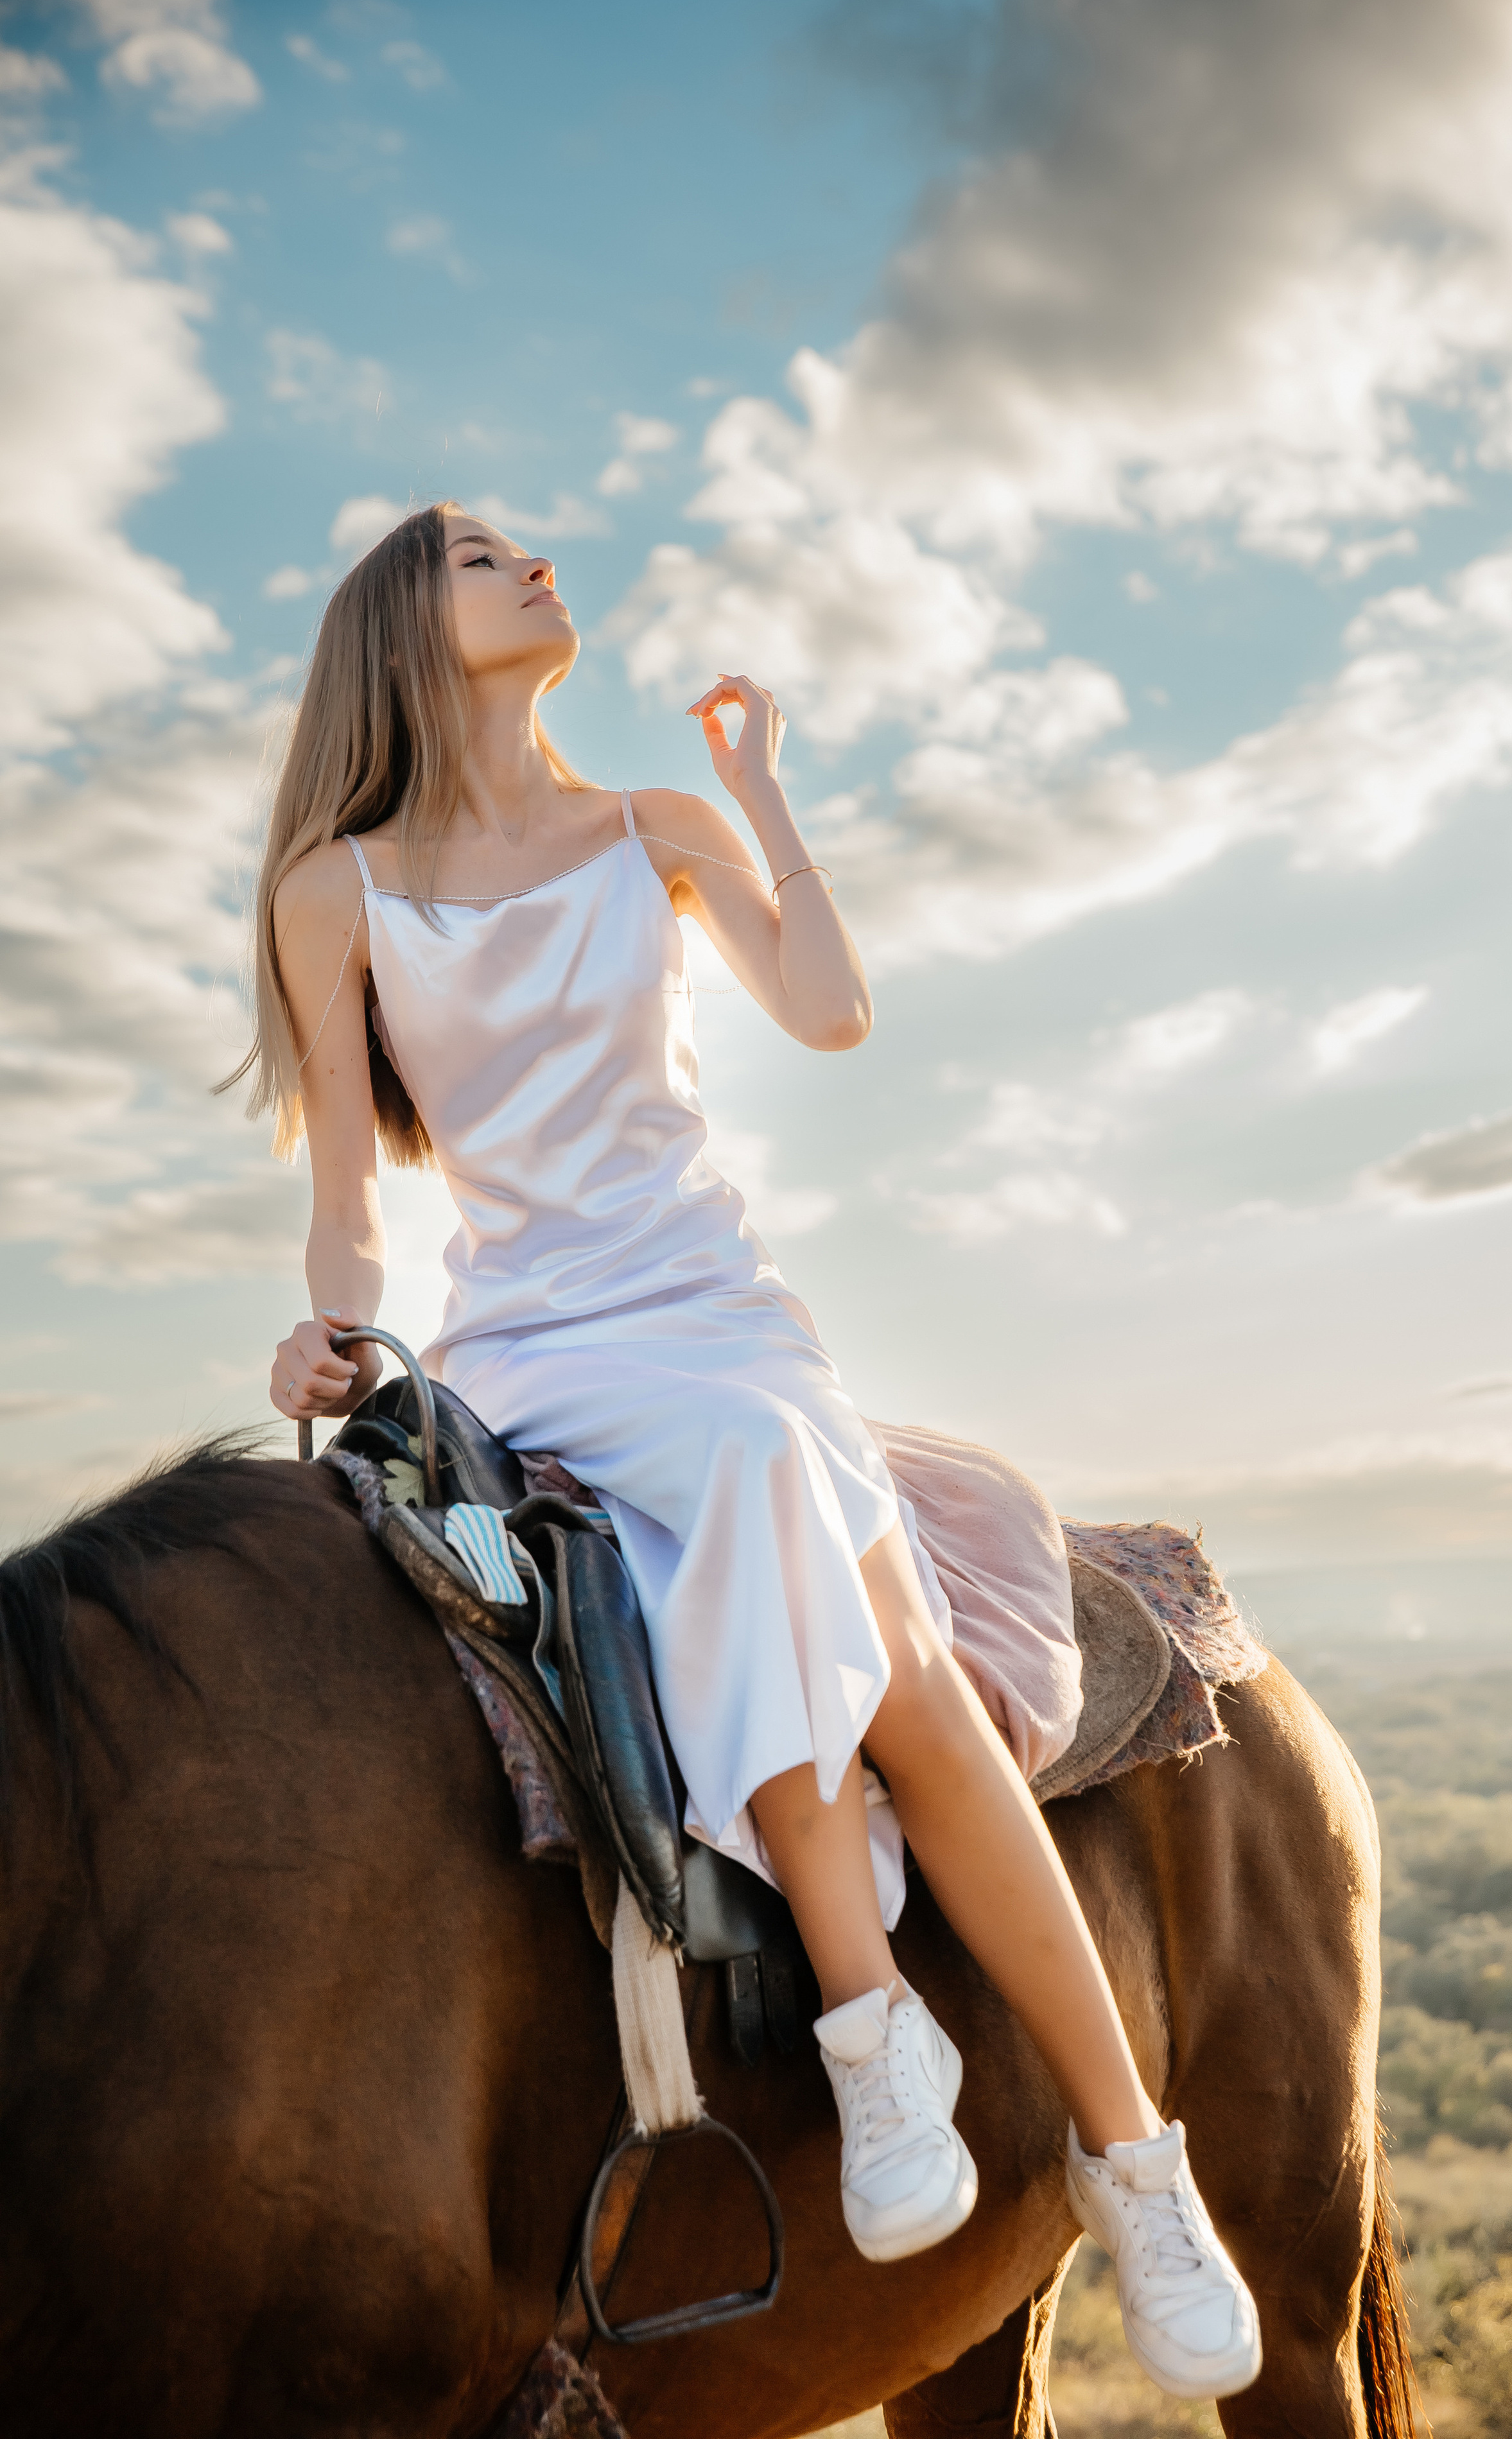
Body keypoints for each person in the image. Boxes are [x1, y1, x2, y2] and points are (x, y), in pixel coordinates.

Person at [230, 503, 1260, 2402]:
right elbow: (352, 1200)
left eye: (529, 548)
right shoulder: (335, 888)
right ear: (399, 625)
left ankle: (1100, 2144)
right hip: (531, 1349)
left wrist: (757, 792)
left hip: (715, 1315)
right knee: (827, 1593)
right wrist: (335, 1332)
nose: (535, 562)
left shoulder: (653, 830)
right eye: (482, 556)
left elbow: (833, 1011)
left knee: (852, 1596)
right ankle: (938, 2072)